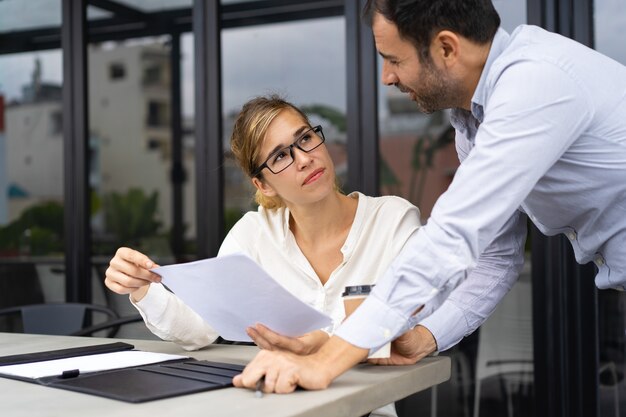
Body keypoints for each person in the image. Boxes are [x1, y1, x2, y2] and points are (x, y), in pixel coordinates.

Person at [233, 0, 626, 394]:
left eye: (394, 60)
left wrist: (327, 361)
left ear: (446, 48)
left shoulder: (536, 85)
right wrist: (422, 337)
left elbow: (452, 237)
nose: (387, 77)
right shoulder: (473, 122)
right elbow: (495, 258)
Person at [105, 94, 428, 416]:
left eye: (305, 138)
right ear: (263, 184)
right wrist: (142, 287)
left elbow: (410, 327)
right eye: (280, 157)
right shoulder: (254, 234)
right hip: (275, 406)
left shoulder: (391, 220)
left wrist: (321, 343)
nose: (303, 158)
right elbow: (199, 329)